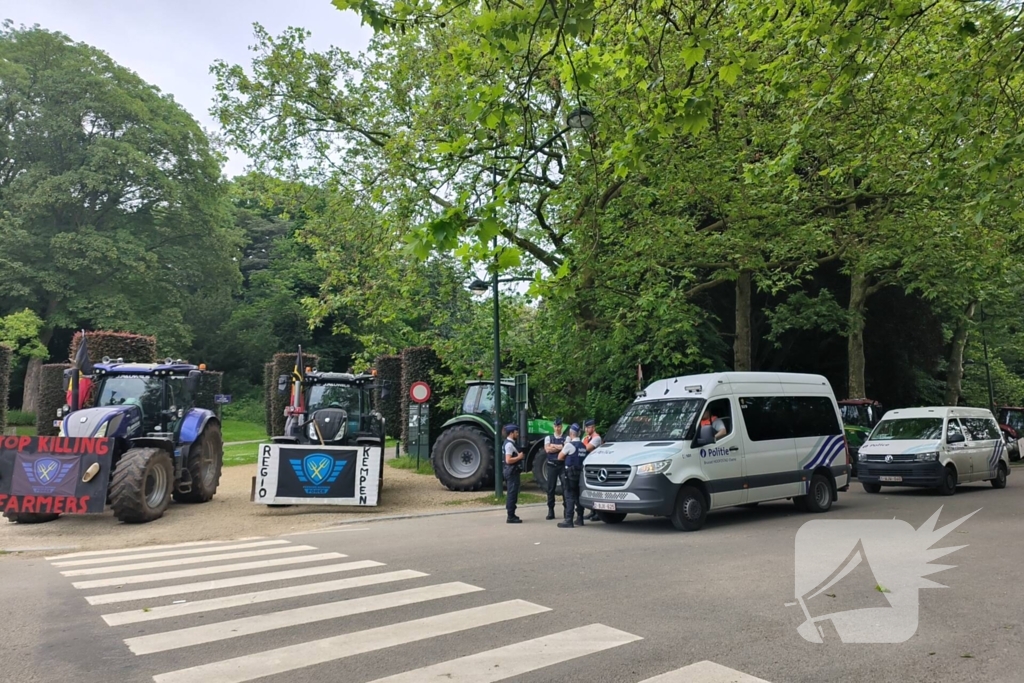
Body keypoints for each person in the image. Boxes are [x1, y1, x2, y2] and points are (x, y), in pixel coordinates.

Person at [557, 424, 586, 528]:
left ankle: (569, 520)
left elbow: (560, 457)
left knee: (569, 496)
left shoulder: (569, 445)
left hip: (570, 474)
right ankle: (580, 518)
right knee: (578, 495)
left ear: (570, 433)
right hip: (580, 474)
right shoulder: (583, 446)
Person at [543, 418, 567, 520]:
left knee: (565, 487)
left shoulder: (566, 438)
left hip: (562, 465)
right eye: (556, 426)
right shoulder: (548, 438)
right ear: (553, 427)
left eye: (559, 426)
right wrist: (560, 446)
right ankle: (550, 510)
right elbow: (547, 450)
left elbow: (566, 448)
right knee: (550, 488)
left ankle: (566, 510)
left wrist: (553, 446)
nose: (557, 428)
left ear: (561, 427)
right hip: (551, 465)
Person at [503, 424, 525, 524]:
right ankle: (510, 516)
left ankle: (512, 514)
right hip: (511, 471)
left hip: (511, 471)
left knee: (512, 493)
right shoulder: (509, 445)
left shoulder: (509, 443)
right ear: (511, 433)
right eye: (516, 432)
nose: (518, 434)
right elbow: (508, 460)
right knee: (512, 494)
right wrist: (519, 457)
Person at [582, 419, 603, 520]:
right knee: (590, 490)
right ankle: (592, 511)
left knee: (596, 490)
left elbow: (586, 448)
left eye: (588, 427)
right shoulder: (587, 438)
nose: (586, 429)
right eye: (586, 428)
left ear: (593, 428)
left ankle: (598, 513)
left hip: (597, 466)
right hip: (589, 466)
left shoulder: (596, 438)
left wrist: (583, 444)